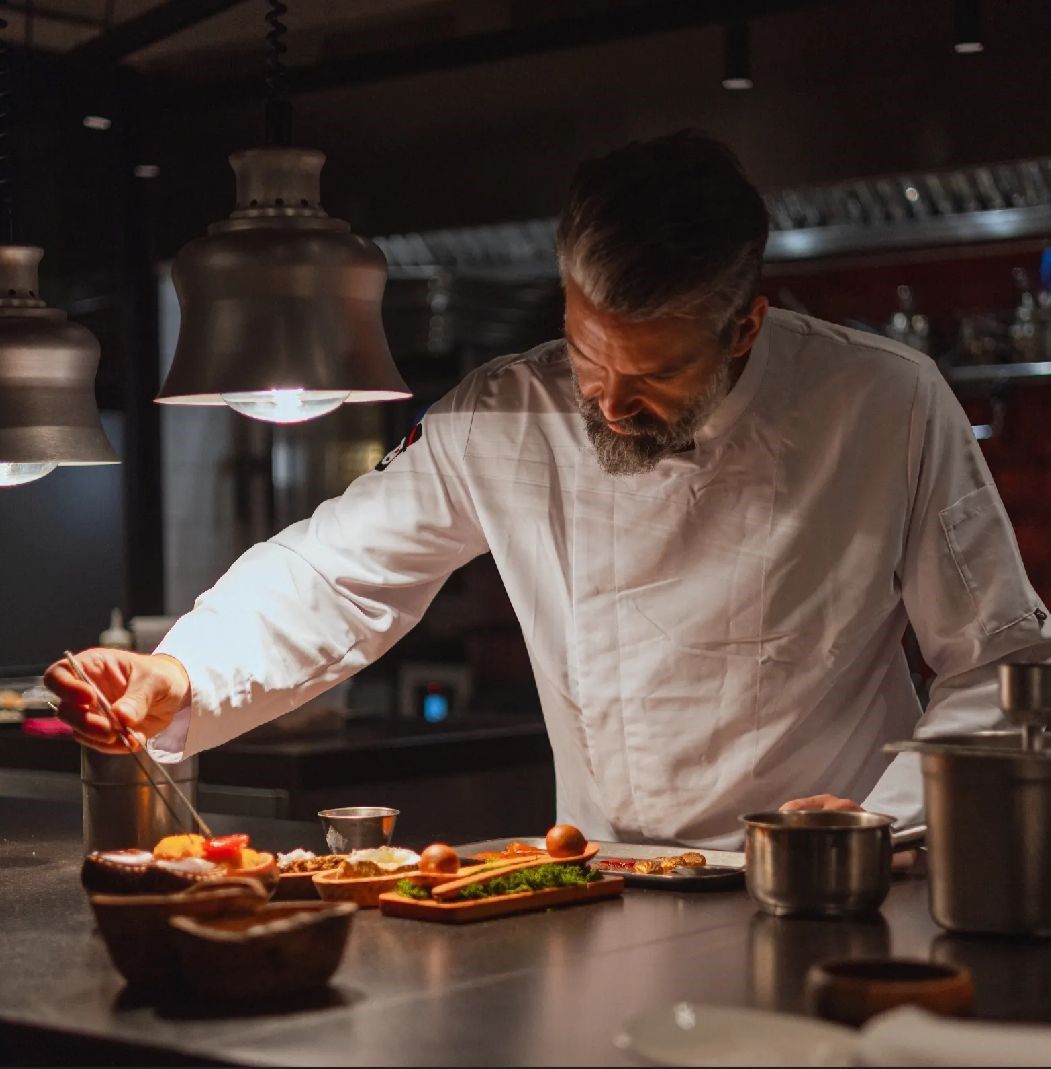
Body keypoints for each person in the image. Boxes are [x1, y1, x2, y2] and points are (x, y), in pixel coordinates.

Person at [46, 131, 1051, 848]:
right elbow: (338, 572)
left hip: (825, 881)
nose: (608, 401)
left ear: (744, 327)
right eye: (585, 354)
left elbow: (1000, 659)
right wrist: (182, 671)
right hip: (599, 885)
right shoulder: (505, 412)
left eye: (655, 376)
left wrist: (884, 817)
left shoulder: (883, 401)